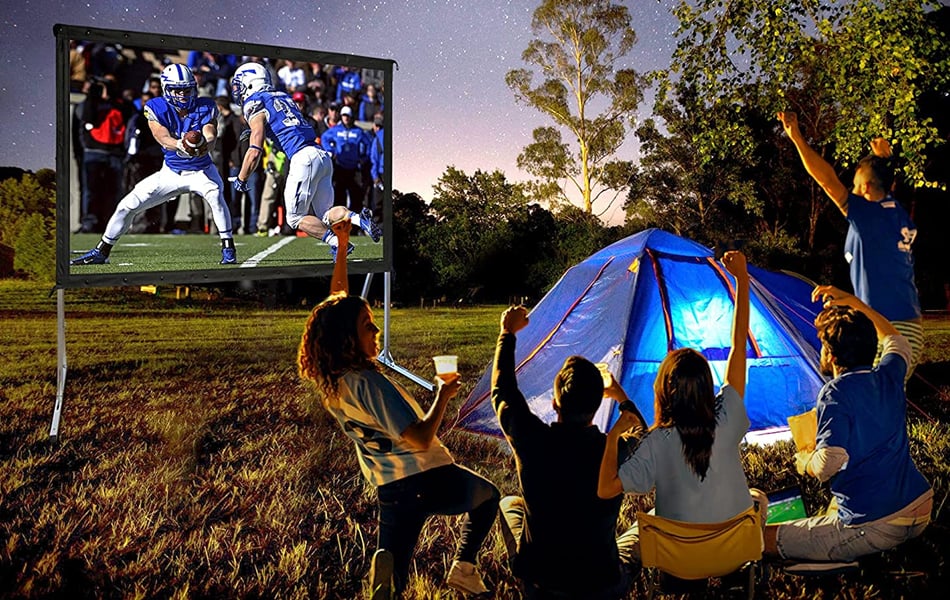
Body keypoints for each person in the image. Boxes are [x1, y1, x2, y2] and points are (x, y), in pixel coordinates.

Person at [297, 221, 500, 598]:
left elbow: (337, 301)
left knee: (395, 573)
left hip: (389, 487)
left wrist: (342, 245)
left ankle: (388, 588)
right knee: (488, 496)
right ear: (348, 337)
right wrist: (443, 395)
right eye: (368, 326)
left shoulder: (333, 380)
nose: (376, 332)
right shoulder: (369, 384)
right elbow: (420, 438)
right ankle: (464, 569)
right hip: (426, 476)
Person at [598, 252, 767, 551]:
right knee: (758, 498)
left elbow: (607, 488)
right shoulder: (727, 419)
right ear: (706, 387)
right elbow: (738, 345)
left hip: (680, 558)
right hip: (733, 551)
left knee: (642, 527)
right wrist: (741, 279)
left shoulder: (656, 443)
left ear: (664, 391)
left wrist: (612, 437)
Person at [764, 285, 932, 563]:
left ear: (831, 355)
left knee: (763, 538)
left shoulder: (835, 392)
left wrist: (805, 461)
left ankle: (839, 559)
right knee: (833, 507)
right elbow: (897, 341)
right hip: (921, 506)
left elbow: (830, 462)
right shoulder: (889, 375)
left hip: (878, 523)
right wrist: (856, 303)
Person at [492, 304, 643, 599]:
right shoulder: (615, 451)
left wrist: (506, 333)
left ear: (555, 404)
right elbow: (642, 434)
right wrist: (621, 397)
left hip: (541, 585)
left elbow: (503, 392)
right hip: (602, 586)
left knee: (509, 503)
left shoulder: (532, 439)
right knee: (643, 530)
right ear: (597, 407)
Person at [777, 111, 923, 380]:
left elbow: (827, 181)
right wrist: (882, 160)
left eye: (854, 187)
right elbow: (881, 181)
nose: (850, 193)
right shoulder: (894, 212)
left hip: (889, 326)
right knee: (881, 398)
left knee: (868, 397)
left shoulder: (869, 216)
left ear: (865, 189)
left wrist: (796, 137)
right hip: (904, 325)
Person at [71, 63, 237, 265]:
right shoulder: (156, 107)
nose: (183, 95)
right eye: (177, 90)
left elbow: (210, 133)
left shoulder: (205, 105)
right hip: (171, 173)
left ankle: (228, 248)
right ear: (167, 89)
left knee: (216, 197)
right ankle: (101, 251)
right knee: (126, 206)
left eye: (186, 90)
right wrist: (179, 144)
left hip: (201, 171)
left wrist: (203, 144)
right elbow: (162, 137)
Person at [230, 62, 380, 259]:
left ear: (251, 83)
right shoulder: (283, 96)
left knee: (294, 219)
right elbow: (284, 123)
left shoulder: (254, 102)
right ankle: (359, 219)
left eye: (240, 85)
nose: (238, 90)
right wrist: (258, 129)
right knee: (325, 214)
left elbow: (255, 150)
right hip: (321, 155)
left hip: (302, 157)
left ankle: (338, 243)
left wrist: (241, 178)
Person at [321, 105, 372, 215]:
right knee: (339, 196)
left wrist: (364, 158)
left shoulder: (358, 131)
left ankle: (355, 221)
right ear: (341, 116)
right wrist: (331, 151)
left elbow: (368, 144)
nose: (346, 118)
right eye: (344, 115)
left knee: (356, 196)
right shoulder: (335, 130)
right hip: (340, 167)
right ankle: (340, 220)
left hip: (354, 168)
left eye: (348, 115)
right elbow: (324, 138)